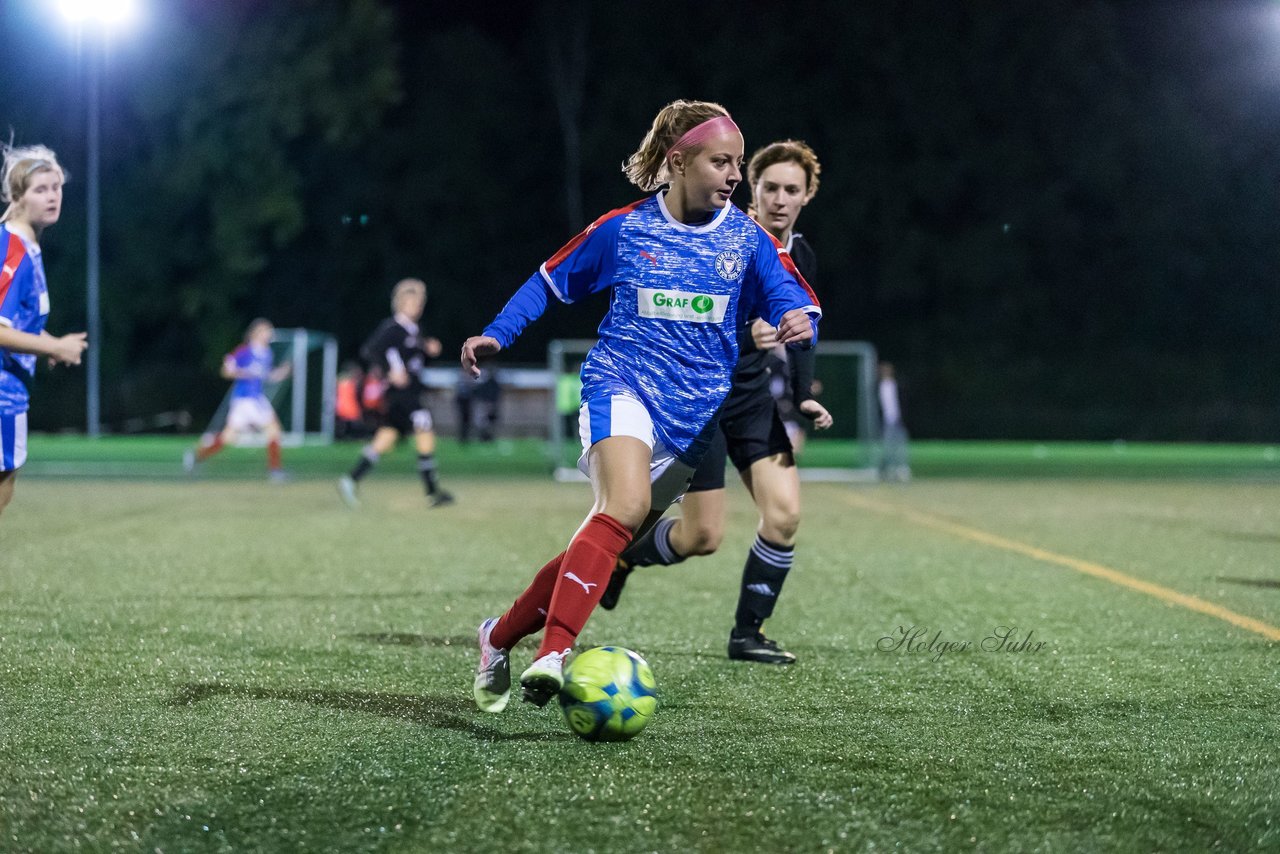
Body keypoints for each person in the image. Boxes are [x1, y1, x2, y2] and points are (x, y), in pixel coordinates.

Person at [463, 100, 821, 713]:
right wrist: (499, 331)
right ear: (678, 162)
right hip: (621, 385)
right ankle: (554, 652)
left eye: (738, 163)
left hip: (693, 418)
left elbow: (798, 295)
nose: (735, 175)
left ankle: (497, 636)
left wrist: (798, 320)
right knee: (623, 507)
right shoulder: (624, 228)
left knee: (609, 536)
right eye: (721, 162)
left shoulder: (747, 240)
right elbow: (548, 280)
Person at [599, 139, 833, 665]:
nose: (778, 198)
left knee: (785, 515)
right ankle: (621, 560)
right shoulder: (726, 239)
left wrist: (801, 398)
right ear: (753, 187)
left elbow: (802, 328)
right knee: (702, 536)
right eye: (769, 186)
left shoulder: (802, 255)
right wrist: (747, 334)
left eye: (790, 190)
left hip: (749, 402)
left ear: (806, 196)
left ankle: (747, 634)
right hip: (698, 399)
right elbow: (686, 314)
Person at [0, 144, 87, 516]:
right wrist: (52, 348)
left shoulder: (28, 248)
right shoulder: (13, 251)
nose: (53, 196)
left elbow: (19, 323)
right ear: (16, 197)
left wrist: (50, 343)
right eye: (41, 189)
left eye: (57, 187)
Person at [338, 278, 454, 508]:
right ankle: (432, 492)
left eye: (420, 303)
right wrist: (389, 373)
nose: (417, 307)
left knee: (387, 436)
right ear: (401, 304)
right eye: (412, 303)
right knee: (424, 428)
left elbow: (416, 361)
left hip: (411, 392)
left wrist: (429, 350)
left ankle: (351, 479)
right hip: (401, 395)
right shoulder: (392, 328)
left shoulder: (415, 330)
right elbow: (370, 350)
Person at [184, 318, 291, 480]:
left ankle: (197, 456)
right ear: (256, 332)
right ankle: (275, 471)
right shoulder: (244, 351)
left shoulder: (267, 353)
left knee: (229, 437)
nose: (269, 334)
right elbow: (226, 371)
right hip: (245, 399)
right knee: (273, 429)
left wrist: (280, 373)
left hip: (255, 399)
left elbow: (266, 376)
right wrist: (244, 373)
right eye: (266, 330)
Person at [878, 361, 911, 481]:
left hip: (898, 420)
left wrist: (904, 418)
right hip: (886, 422)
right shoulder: (877, 386)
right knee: (887, 447)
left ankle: (902, 470)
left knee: (901, 446)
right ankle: (888, 471)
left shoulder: (898, 385)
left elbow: (904, 403)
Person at [455, 365, 500, 443]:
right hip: (479, 404)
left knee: (486, 422)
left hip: (485, 404)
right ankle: (482, 437)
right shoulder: (472, 381)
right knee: (480, 422)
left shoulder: (487, 382)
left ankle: (486, 437)